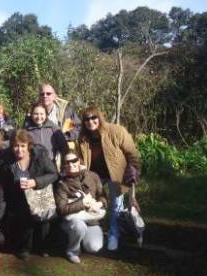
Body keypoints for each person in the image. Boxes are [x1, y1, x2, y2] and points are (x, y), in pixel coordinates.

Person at [77, 105, 141, 251]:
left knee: (115, 206)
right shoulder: (83, 137)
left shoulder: (116, 131)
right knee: (92, 203)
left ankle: (113, 234)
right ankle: (94, 232)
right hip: (94, 176)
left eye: (94, 117)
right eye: (87, 119)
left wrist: (135, 170)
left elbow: (132, 153)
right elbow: (81, 158)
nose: (90, 121)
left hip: (116, 176)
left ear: (100, 117)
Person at [0, 130, 58, 260]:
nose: (19, 149)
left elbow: (54, 174)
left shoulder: (40, 156)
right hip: (19, 198)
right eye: (16, 145)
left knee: (44, 221)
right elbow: (3, 186)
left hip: (39, 195)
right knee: (23, 217)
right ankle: (25, 248)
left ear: (28, 145)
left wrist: (35, 182)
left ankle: (43, 247)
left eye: (22, 146)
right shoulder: (7, 161)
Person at [55, 152, 106, 263]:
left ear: (79, 161)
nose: (71, 164)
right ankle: (72, 251)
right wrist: (82, 203)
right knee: (79, 226)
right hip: (72, 221)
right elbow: (62, 209)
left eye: (74, 161)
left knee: (94, 247)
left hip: (92, 220)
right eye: (67, 162)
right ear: (64, 165)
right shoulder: (62, 184)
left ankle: (82, 238)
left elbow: (103, 196)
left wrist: (100, 204)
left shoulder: (93, 176)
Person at [25, 83, 81, 147]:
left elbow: (78, 128)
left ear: (55, 96)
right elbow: (25, 134)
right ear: (39, 97)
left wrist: (66, 136)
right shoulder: (31, 113)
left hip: (63, 150)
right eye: (42, 94)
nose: (45, 96)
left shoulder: (67, 111)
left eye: (48, 94)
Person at [25, 102, 68, 169]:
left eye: (41, 114)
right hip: (33, 167)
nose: (39, 117)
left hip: (51, 166)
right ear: (31, 115)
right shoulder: (26, 130)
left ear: (46, 115)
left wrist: (64, 168)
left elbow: (64, 149)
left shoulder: (53, 128)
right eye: (35, 114)